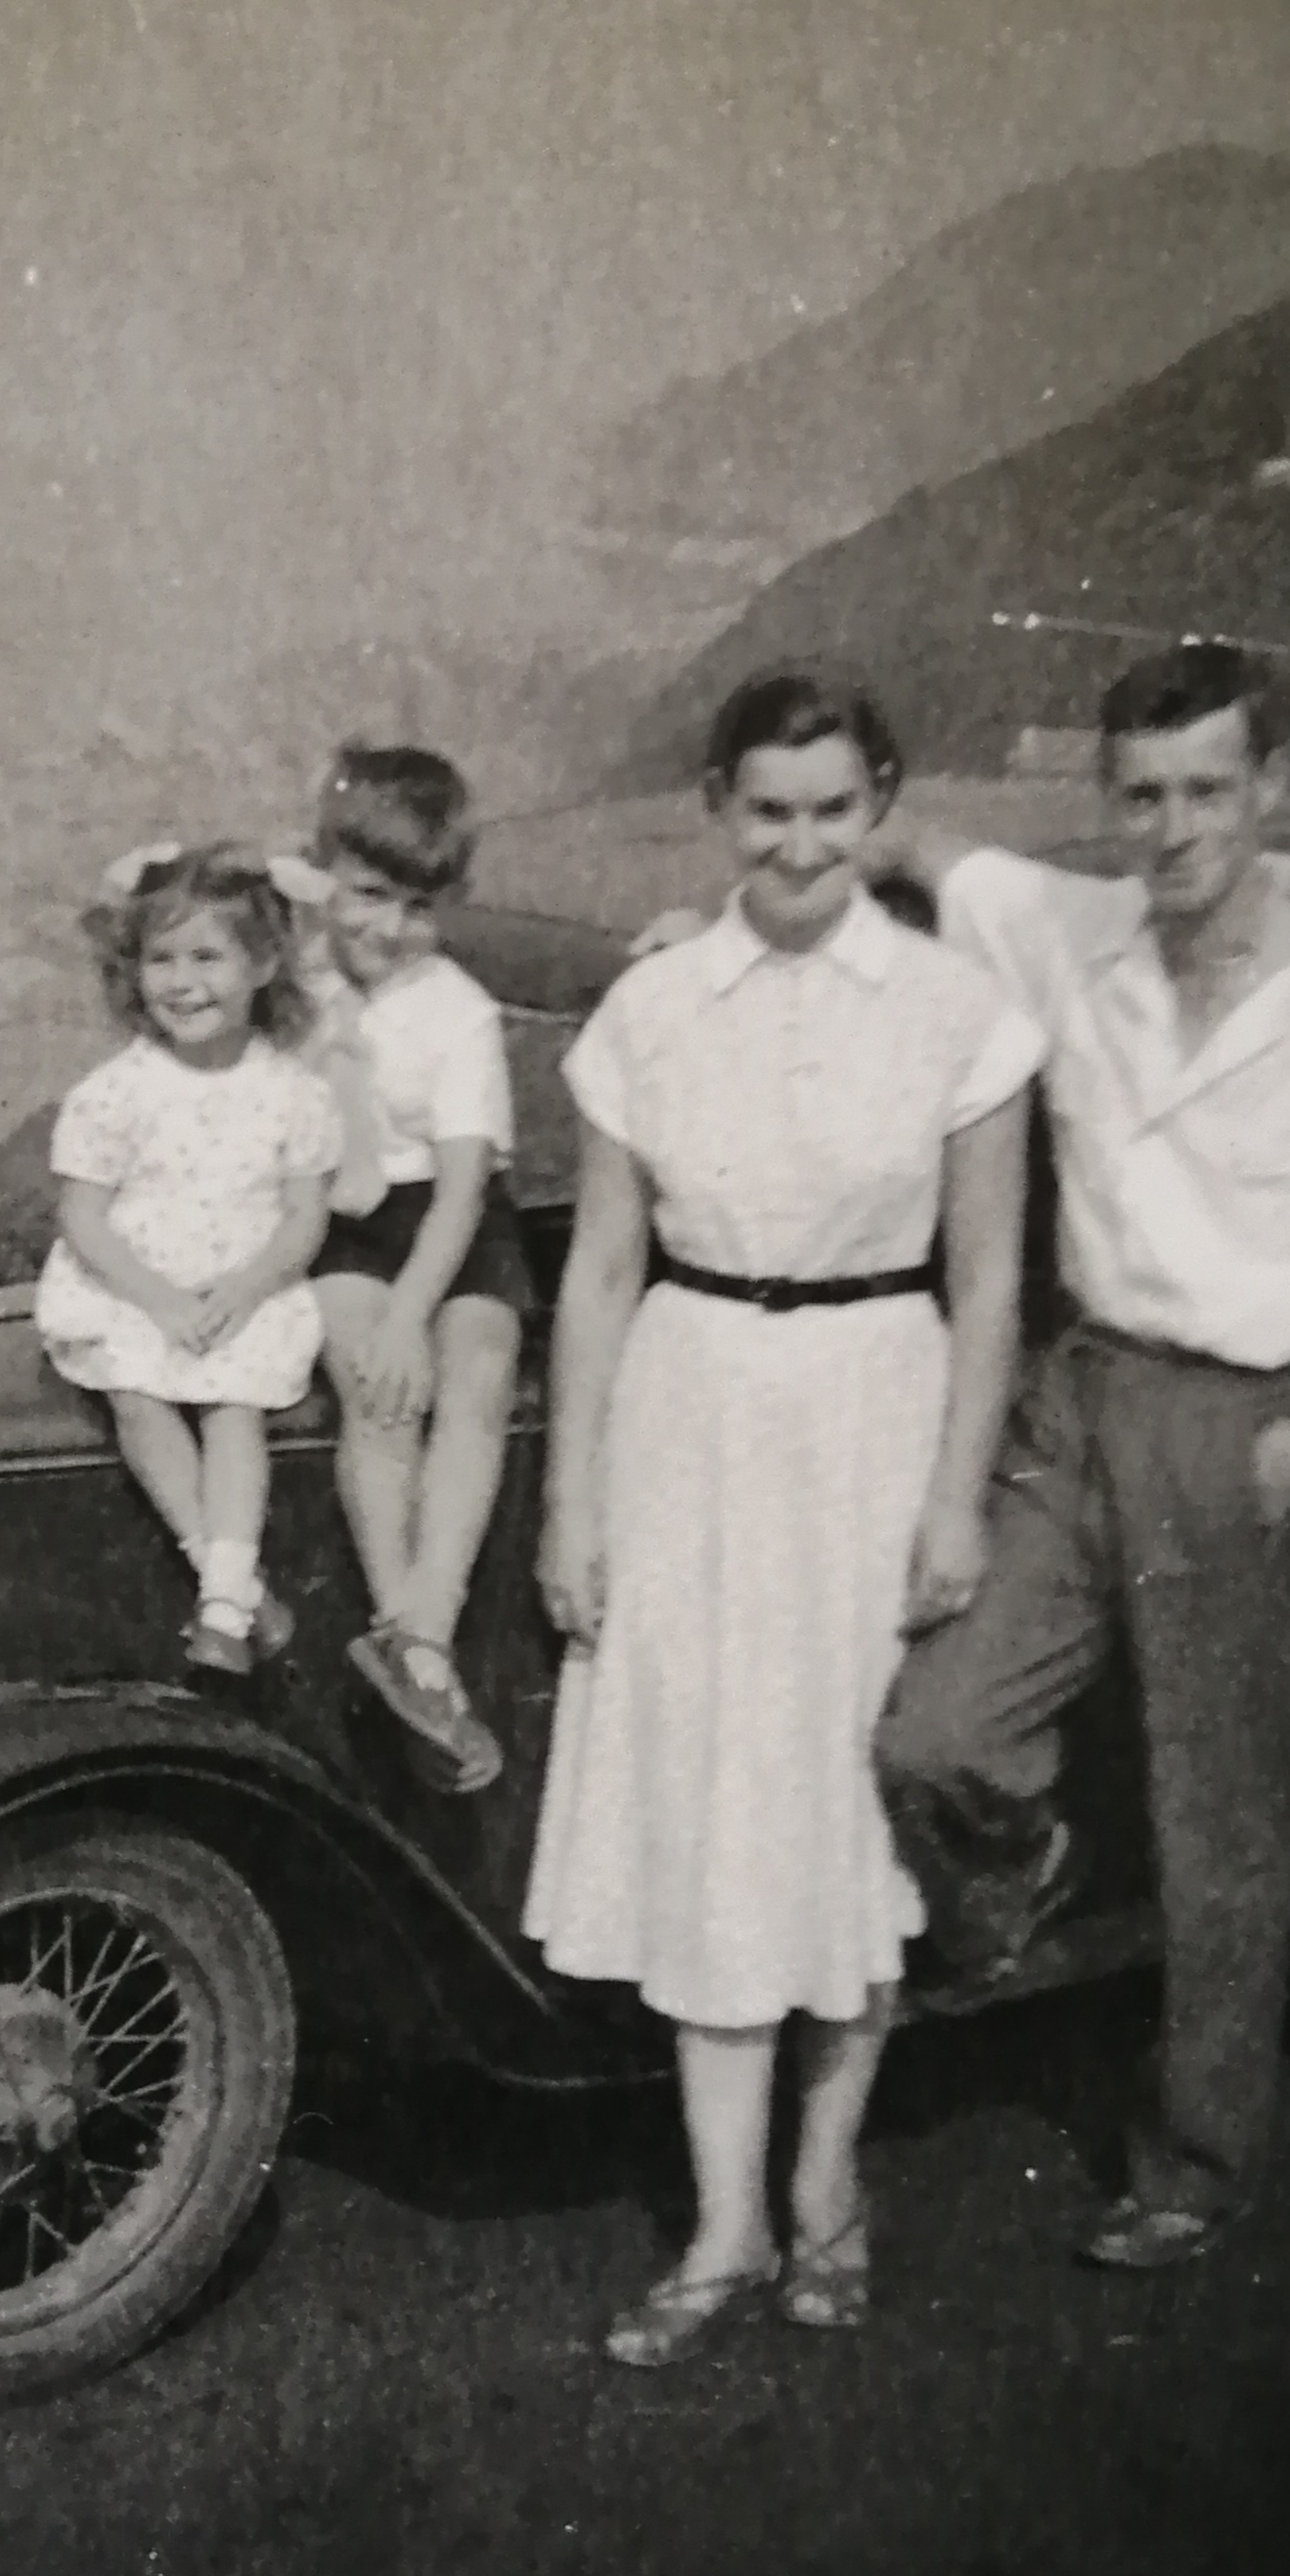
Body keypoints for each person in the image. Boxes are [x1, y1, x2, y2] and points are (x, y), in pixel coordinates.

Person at [841, 641, 1290, 2272]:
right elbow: (916, 847)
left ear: (1271, 788)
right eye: (1141, 795)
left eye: (1207, 788)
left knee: (1224, 1823)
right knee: (929, 1734)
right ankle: (1021, 1884)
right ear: (1111, 802)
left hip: (1255, 1418)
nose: (1172, 827)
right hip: (1081, 1399)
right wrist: (722, 918)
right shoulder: (1076, 932)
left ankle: (1196, 2165)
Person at [527, 667, 1045, 2366]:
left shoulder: (961, 1014)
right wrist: (569, 1502)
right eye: (771, 810)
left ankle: (827, 2187)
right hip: (690, 1417)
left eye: (835, 810)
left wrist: (956, 1502)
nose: (802, 843)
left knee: (841, 1816)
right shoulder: (656, 1008)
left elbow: (986, 1281)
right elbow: (601, 1270)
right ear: (719, 807)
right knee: (712, 1815)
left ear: (880, 804)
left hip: (874, 1419)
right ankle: (724, 2225)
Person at [33, 841, 344, 1674]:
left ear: (264, 963)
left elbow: (303, 1217)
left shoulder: (292, 1092)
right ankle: (231, 1584)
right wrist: (161, 1299)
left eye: (207, 956)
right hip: (134, 1286)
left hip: (242, 1287)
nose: (181, 981)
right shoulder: (116, 1091)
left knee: (233, 1405)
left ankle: (222, 1596)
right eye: (159, 959)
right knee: (135, 1393)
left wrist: (246, 1289)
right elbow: (84, 1215)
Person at [292, 744, 536, 1794]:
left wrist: (415, 1315)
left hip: (451, 1220)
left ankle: (420, 1632)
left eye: (417, 906)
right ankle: (408, 1640)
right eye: (366, 895)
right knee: (376, 1394)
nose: (388, 929)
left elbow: (462, 1189)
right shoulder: (292, 986)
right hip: (347, 1221)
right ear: (324, 873)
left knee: (472, 1378)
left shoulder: (458, 1014)